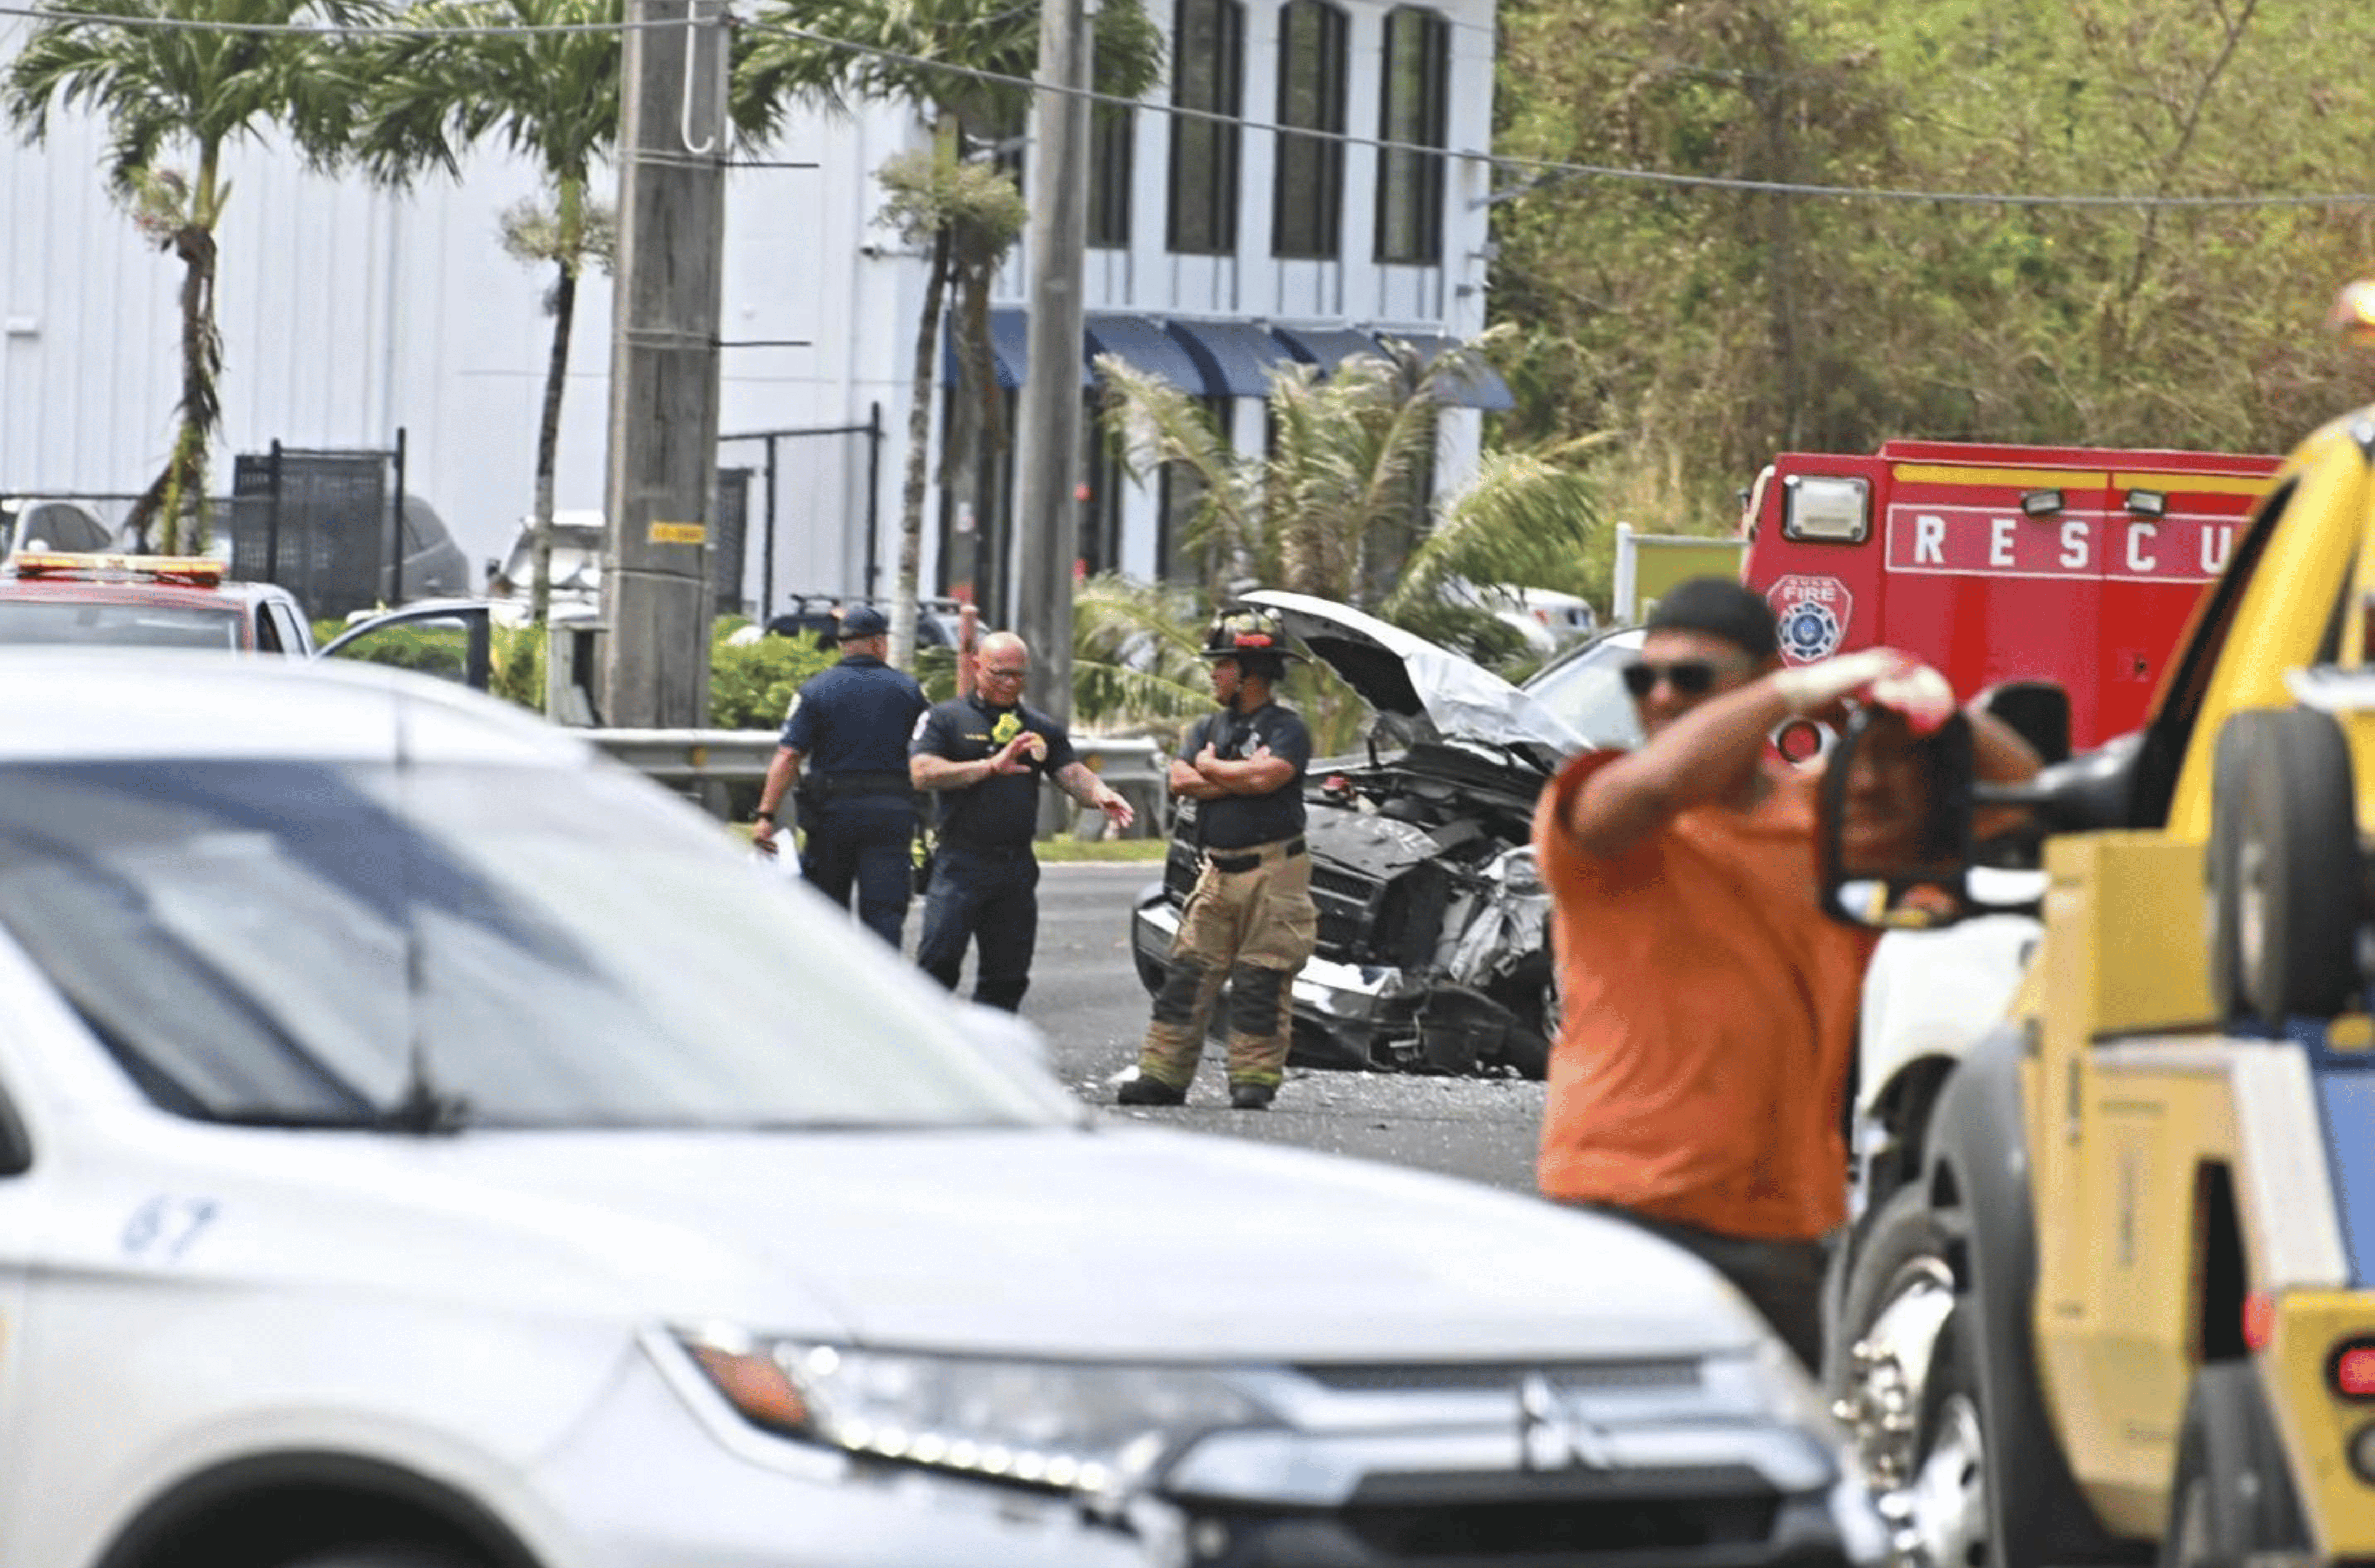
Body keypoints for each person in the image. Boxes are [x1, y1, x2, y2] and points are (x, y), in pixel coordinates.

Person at [1530, 577, 2038, 1371]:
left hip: (1785, 1228)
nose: (1662, 697)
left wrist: (1925, 702)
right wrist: (1789, 695)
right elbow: (1655, 783)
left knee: (1767, 1446)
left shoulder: (1823, 825)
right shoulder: (1610, 809)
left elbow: (2022, 801)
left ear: (1759, 674)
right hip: (1622, 1204)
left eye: (1691, 677)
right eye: (1644, 678)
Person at [1120, 607, 1319, 1112]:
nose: (1213, 674)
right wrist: (1229, 773)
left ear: (1250, 674)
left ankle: (1254, 1080)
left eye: (1222, 665)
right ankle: (1162, 1077)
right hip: (1216, 872)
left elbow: (1267, 778)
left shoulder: (1288, 729)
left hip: (1273, 874)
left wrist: (1211, 767)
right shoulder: (1208, 725)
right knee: (1186, 975)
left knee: (1260, 980)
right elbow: (1180, 780)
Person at [908, 630, 1135, 1011]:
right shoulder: (945, 718)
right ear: (977, 666)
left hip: (1014, 866)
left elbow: (1069, 771)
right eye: (1001, 673)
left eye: (1018, 674)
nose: (1010, 682)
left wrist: (1100, 794)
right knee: (938, 964)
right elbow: (922, 773)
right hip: (960, 862)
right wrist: (989, 767)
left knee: (1008, 975)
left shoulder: (1039, 727)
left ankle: (993, 1041)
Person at [752, 603, 928, 947]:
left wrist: (765, 816)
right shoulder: (910, 691)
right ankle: (880, 980)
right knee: (884, 916)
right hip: (891, 815)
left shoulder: (815, 691)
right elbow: (929, 752)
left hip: (831, 816)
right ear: (879, 643)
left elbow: (788, 756)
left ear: (841, 645)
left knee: (828, 918)